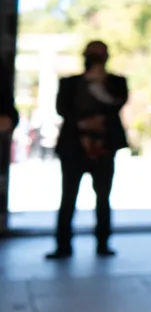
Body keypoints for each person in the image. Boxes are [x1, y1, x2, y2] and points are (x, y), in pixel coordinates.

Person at [49, 39, 127, 260]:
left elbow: (116, 105)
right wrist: (83, 123)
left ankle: (103, 243)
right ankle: (63, 245)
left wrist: (98, 87)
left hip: (104, 147)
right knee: (68, 197)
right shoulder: (69, 83)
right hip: (74, 147)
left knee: (103, 197)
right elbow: (62, 108)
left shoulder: (116, 82)